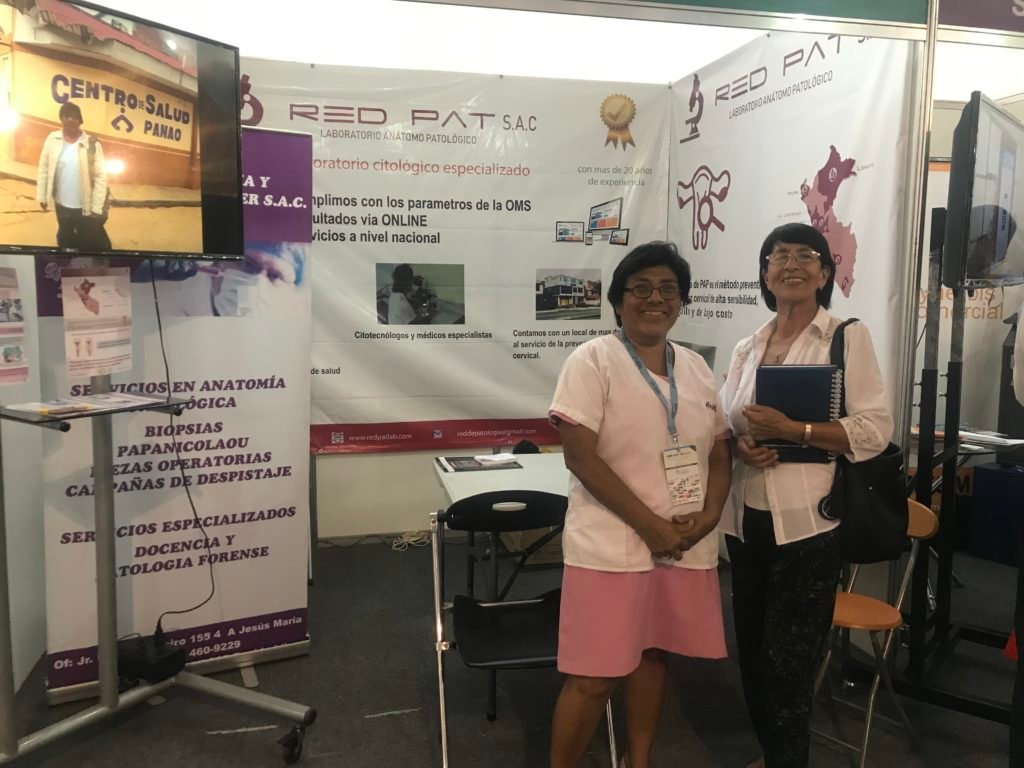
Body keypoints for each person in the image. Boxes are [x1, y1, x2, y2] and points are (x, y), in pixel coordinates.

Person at [548, 241, 732, 768]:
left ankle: (639, 761)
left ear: (682, 301)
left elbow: (720, 450)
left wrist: (710, 516)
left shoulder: (695, 367)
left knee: (653, 655)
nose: (656, 299)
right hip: (613, 547)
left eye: (668, 289)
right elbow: (580, 457)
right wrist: (651, 526)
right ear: (618, 300)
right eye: (642, 288)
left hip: (682, 543)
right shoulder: (592, 360)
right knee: (594, 676)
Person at [719, 222, 893, 768]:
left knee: (789, 665)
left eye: (805, 255)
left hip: (809, 525)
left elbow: (875, 430)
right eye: (778, 256)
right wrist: (743, 445)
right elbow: (728, 422)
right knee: (751, 653)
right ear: (764, 273)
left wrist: (794, 430)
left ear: (824, 273)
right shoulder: (747, 346)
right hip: (746, 522)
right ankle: (774, 756)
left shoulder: (844, 337)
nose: (790, 264)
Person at [36, 101, 110, 251]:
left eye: (75, 117)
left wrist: (96, 208)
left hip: (84, 206)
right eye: (66, 116)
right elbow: (44, 168)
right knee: (65, 236)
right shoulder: (52, 139)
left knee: (88, 239)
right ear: (61, 118)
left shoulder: (92, 144)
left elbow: (101, 176)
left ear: (80, 121)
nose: (70, 120)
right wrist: (42, 196)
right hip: (61, 204)